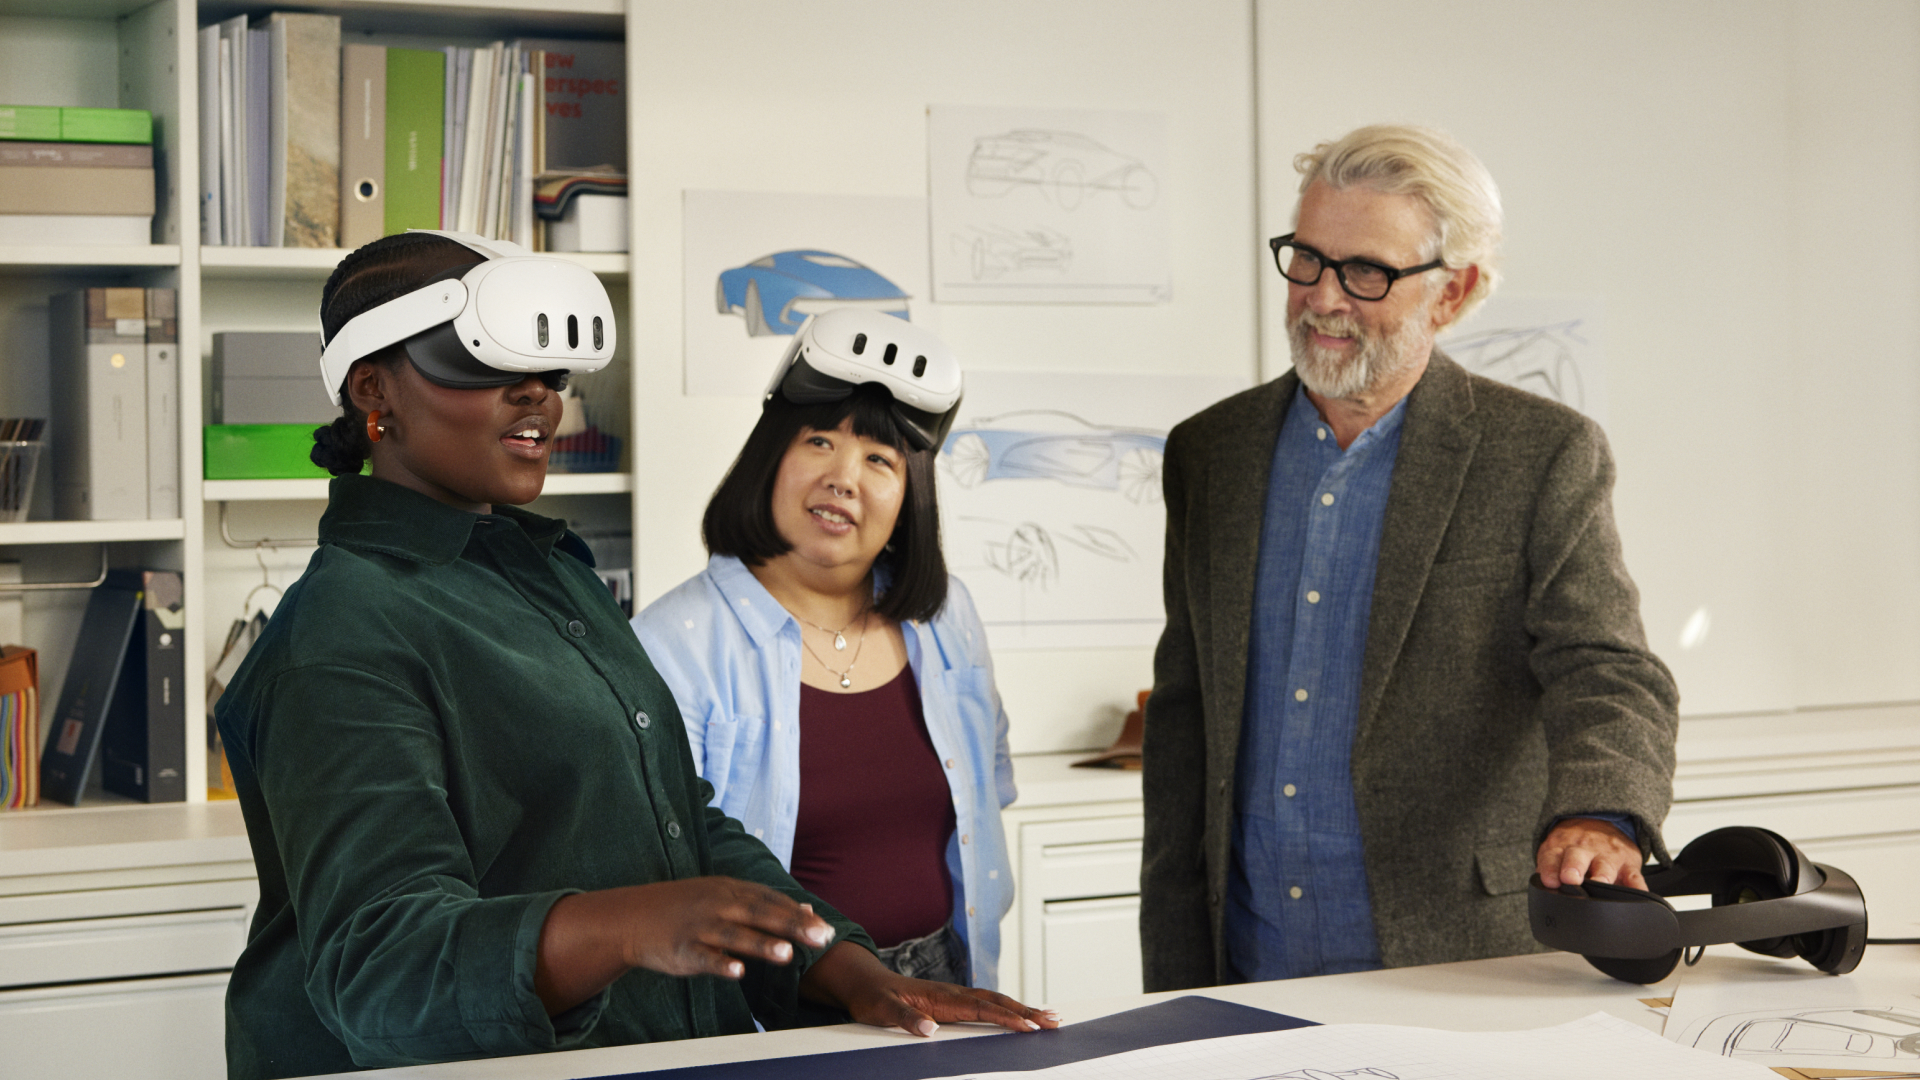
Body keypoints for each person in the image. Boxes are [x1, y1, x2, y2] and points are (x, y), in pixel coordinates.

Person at [214, 234, 1053, 1080]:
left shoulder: (554, 579)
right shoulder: (340, 634)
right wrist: (627, 925)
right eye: (491, 368)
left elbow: (681, 821)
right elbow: (380, 968)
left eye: (548, 378)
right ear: (373, 390)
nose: (539, 398)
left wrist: (840, 966)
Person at [1138, 124, 1680, 990]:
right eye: (1306, 260)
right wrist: (1172, 971)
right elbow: (1184, 718)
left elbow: (1607, 668)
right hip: (1246, 965)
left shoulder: (1540, 453)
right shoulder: (1210, 454)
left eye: (1367, 273)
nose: (1323, 298)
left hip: (1460, 962)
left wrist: (1599, 813)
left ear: (1453, 293)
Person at [634, 308, 1016, 991]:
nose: (845, 477)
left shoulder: (948, 616)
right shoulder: (672, 643)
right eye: (818, 442)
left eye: (880, 459)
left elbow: (986, 793)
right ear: (771, 456)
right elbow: (659, 869)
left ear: (909, 498)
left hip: (947, 978)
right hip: (772, 999)